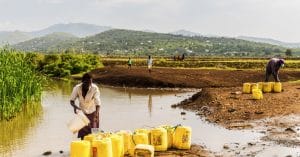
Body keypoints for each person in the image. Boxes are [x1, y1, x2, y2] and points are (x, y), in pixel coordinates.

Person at [70, 73, 101, 139]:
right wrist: (75, 107)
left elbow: (98, 103)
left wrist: (96, 114)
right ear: (82, 82)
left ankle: (94, 147)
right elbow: (72, 101)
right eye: (87, 82)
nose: (89, 84)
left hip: (93, 112)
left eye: (90, 82)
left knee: (94, 133)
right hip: (82, 112)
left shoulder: (95, 88)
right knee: (83, 134)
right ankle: (84, 146)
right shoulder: (77, 88)